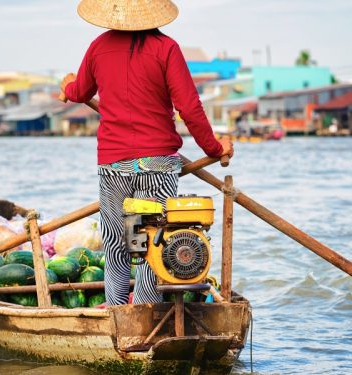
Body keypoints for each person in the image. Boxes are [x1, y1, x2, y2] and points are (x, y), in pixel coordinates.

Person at [61, 0, 233, 306]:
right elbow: (189, 107)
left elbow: (81, 92)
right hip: (157, 164)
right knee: (154, 243)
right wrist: (215, 148)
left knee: (117, 244)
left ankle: (117, 315)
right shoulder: (166, 48)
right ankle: (142, 312)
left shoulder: (99, 47)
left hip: (114, 165)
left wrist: (69, 86)